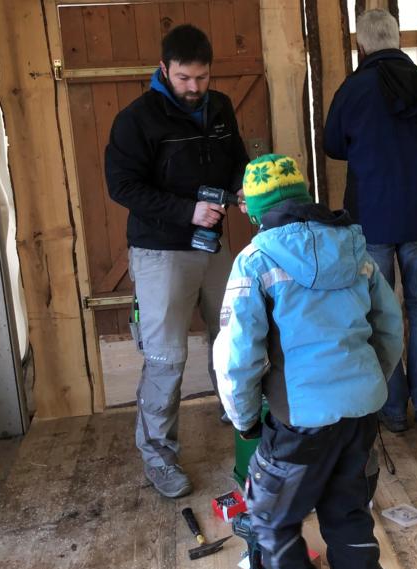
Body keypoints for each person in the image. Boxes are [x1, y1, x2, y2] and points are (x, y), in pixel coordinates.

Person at [213, 154, 403, 569]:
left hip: (300, 422)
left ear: (255, 211)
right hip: (359, 414)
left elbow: (237, 357)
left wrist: (244, 419)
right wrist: (364, 388)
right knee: (348, 514)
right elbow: (391, 329)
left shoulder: (255, 260)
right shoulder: (354, 248)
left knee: (271, 518)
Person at [105, 24, 249, 498]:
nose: (193, 87)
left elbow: (235, 159)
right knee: (166, 357)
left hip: (211, 246)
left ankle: (240, 415)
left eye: (202, 78)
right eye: (184, 78)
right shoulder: (137, 119)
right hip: (160, 250)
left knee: (236, 336)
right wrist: (187, 211)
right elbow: (122, 186)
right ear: (164, 69)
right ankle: (158, 456)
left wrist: (241, 190)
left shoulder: (220, 106)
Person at [323, 8, 417, 433]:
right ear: (398, 38)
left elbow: (333, 145)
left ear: (361, 44)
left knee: (380, 310)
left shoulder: (353, 88)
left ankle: (392, 410)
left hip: (371, 215)